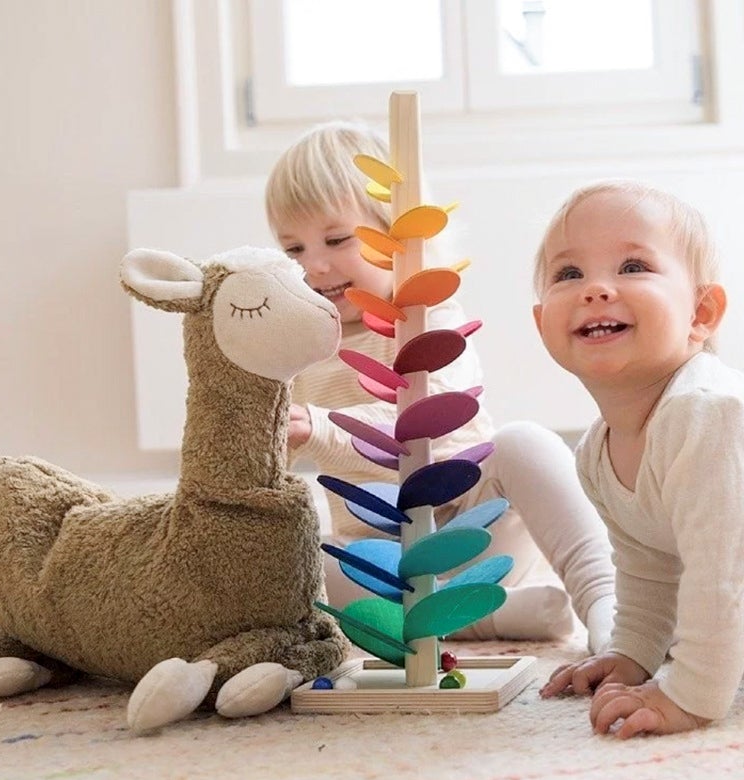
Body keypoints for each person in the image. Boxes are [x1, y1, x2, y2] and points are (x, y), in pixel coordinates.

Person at [264, 120, 616, 652]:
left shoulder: (430, 315)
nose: (315, 264)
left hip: (476, 529)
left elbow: (430, 428)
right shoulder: (302, 346)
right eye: (292, 248)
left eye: (337, 239)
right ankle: (488, 615)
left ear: (396, 233)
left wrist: (320, 427)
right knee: (297, 562)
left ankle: (602, 596)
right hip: (386, 562)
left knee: (524, 443)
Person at [534, 179, 744, 738]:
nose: (596, 289)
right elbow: (648, 566)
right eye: (569, 274)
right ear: (541, 322)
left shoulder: (706, 413)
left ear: (701, 313)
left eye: (633, 267)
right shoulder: (596, 452)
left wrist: (690, 695)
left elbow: (722, 575)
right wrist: (632, 653)